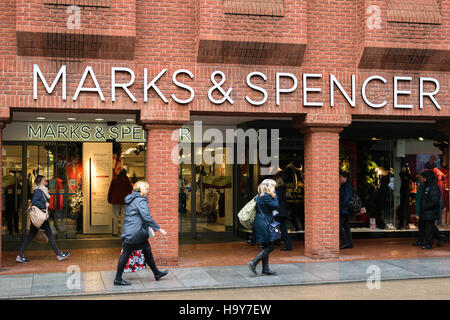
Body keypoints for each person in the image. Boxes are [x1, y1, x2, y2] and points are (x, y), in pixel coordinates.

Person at [114, 181, 169, 285]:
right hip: (135, 232)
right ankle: (118, 278)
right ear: (143, 189)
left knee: (146, 250)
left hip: (132, 231)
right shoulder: (140, 200)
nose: (148, 191)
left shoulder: (132, 198)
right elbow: (146, 216)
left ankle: (156, 273)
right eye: (147, 189)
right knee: (126, 253)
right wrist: (158, 228)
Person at [16, 175, 70, 263]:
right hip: (41, 219)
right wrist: (43, 205)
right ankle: (59, 254)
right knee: (50, 235)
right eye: (44, 180)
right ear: (41, 181)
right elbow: (34, 201)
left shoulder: (41, 190)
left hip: (39, 219)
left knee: (30, 237)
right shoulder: (39, 191)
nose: (46, 182)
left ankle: (20, 255)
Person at [247, 179, 279, 276]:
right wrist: (275, 195)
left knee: (265, 245)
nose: (275, 188)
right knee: (270, 247)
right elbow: (276, 206)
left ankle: (265, 269)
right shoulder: (266, 197)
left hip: (260, 222)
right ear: (269, 187)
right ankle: (253, 262)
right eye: (273, 186)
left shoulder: (259, 196)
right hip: (264, 223)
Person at [413, 172, 444, 248]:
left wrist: (425, 206)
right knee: (425, 226)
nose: (421, 179)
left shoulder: (433, 187)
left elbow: (435, 200)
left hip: (429, 212)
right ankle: (426, 241)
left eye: (423, 177)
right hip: (426, 211)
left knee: (429, 228)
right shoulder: (427, 186)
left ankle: (429, 243)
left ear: (427, 178)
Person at [108, 168, 133, 236]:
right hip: (125, 202)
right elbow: (130, 191)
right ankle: (122, 231)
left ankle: (115, 232)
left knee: (115, 216)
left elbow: (111, 190)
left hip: (115, 200)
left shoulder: (115, 180)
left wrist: (109, 199)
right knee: (123, 217)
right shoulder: (127, 181)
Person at [274, 175, 292, 251]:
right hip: (283, 211)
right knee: (281, 228)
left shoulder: (278, 190)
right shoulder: (284, 189)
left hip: (279, 212)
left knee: (279, 228)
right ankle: (280, 242)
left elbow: (277, 201)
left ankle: (287, 245)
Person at [339, 170, 354, 249]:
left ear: (345, 178)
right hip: (344, 210)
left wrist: (341, 205)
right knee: (346, 227)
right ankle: (350, 243)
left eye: (341, 177)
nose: (339, 179)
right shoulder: (344, 185)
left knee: (338, 226)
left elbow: (346, 198)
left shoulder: (347, 185)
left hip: (343, 210)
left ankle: (345, 242)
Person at [398, 163, 411, 229]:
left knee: (406, 208)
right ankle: (401, 224)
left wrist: (405, 171)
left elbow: (408, 177)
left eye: (405, 167)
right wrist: (403, 171)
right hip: (403, 191)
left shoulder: (407, 173)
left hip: (406, 191)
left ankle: (405, 223)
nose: (404, 168)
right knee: (402, 208)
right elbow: (401, 175)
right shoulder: (401, 173)